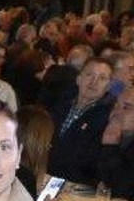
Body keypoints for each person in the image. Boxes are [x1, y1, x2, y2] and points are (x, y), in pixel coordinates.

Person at [45, 56, 114, 186]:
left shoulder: (108, 118)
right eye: (89, 75)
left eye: (102, 78)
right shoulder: (60, 102)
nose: (94, 82)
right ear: (78, 79)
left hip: (75, 185)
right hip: (43, 175)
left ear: (109, 86)